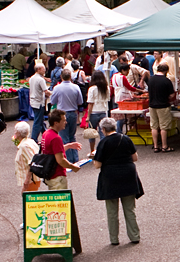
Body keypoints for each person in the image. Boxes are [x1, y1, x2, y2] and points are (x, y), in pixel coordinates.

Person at [94, 118, 142, 246]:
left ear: (103, 129)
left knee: (112, 211)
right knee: (130, 209)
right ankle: (134, 236)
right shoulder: (126, 139)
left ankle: (114, 239)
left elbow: (97, 165)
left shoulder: (103, 143)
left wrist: (93, 157)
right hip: (128, 174)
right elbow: (135, 158)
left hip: (110, 177)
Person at [39, 109, 82, 190]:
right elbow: (60, 160)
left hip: (50, 174)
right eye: (63, 120)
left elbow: (53, 151)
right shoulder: (56, 138)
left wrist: (68, 146)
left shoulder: (46, 134)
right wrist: (73, 166)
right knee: (60, 201)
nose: (65, 122)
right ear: (56, 123)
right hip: (57, 175)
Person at [49, 70, 84, 164]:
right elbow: (80, 101)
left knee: (64, 137)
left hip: (61, 113)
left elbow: (52, 101)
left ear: (61, 77)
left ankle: (68, 159)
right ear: (70, 77)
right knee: (72, 135)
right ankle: (75, 158)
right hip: (73, 113)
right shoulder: (76, 87)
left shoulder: (57, 88)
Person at [147, 62, 176, 153]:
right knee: (164, 127)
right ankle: (164, 146)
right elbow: (171, 95)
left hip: (152, 105)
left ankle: (155, 146)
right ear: (166, 71)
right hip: (163, 106)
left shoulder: (151, 80)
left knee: (154, 126)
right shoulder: (166, 81)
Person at [86, 69, 110, 158]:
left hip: (94, 113)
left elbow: (90, 103)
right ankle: (103, 151)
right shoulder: (106, 88)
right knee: (103, 133)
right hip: (103, 111)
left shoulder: (92, 89)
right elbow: (108, 100)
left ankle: (92, 151)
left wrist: (87, 116)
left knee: (91, 133)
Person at [13, 121, 40, 192]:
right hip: (34, 180)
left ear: (19, 133)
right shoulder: (30, 141)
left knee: (28, 199)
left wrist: (27, 181)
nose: (14, 133)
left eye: (15, 131)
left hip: (31, 180)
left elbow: (32, 163)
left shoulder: (24, 146)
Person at [28, 63, 51, 141]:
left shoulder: (32, 78)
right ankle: (33, 139)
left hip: (33, 101)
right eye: (43, 68)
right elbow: (46, 91)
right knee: (38, 121)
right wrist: (54, 93)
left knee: (40, 120)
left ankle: (46, 134)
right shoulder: (41, 80)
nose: (45, 70)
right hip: (39, 102)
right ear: (38, 69)